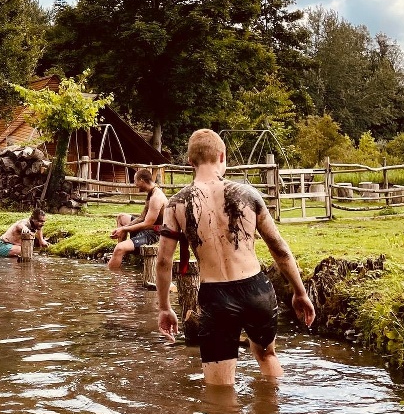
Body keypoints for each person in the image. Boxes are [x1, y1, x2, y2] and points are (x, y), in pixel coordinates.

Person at [156, 129, 315, 386]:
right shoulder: (248, 195)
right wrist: (300, 292)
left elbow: (163, 262)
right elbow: (279, 248)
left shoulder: (176, 204)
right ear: (222, 156)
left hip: (216, 296)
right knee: (266, 356)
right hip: (256, 290)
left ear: (190, 162)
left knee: (219, 389)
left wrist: (164, 307)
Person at [106, 168, 167, 270]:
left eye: (135, 181)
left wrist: (124, 229)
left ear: (142, 180)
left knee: (119, 248)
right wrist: (124, 227)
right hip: (147, 228)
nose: (135, 184)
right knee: (121, 217)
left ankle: (112, 278)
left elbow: (147, 224)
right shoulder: (151, 192)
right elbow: (142, 217)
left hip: (154, 233)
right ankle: (122, 256)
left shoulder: (156, 197)